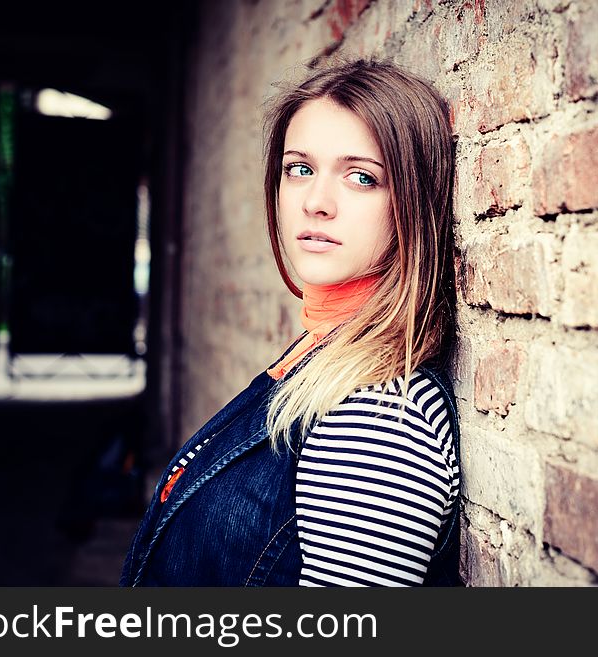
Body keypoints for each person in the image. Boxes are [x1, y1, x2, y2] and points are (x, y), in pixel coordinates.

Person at [121, 59, 461, 587]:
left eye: (362, 177)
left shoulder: (377, 417)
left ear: (414, 202)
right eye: (299, 168)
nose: (315, 203)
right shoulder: (317, 356)